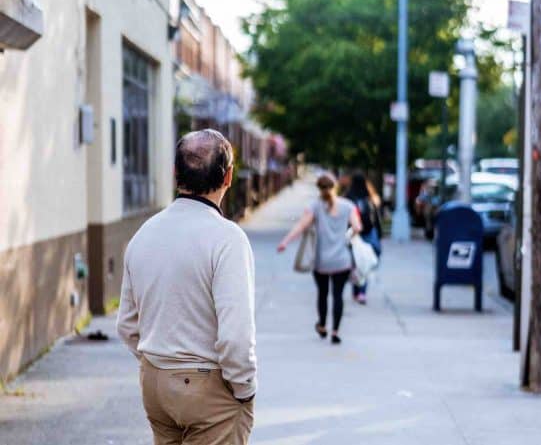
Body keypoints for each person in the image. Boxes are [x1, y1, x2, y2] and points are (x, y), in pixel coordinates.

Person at [117, 129, 257, 445]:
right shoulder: (227, 240)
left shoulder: (143, 234)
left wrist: (159, 364)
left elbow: (127, 325)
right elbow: (236, 336)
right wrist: (245, 388)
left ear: (175, 173)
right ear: (229, 177)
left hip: (155, 383)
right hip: (207, 390)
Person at [277, 173, 361, 344]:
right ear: (335, 186)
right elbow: (358, 227)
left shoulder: (314, 206)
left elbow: (301, 226)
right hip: (342, 260)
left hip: (321, 261)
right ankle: (335, 331)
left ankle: (322, 326)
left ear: (319, 189)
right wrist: (348, 236)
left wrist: (285, 242)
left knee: (323, 294)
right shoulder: (348, 206)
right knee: (338, 296)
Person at [346, 172, 383, 305]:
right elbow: (377, 218)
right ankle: (362, 292)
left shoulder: (348, 198)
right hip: (367, 233)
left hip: (354, 234)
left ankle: (356, 291)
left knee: (356, 262)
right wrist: (379, 234)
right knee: (365, 262)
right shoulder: (369, 198)